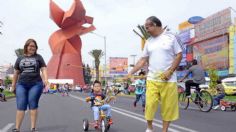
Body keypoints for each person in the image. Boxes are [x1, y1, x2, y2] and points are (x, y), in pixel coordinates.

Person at [127, 16, 183, 132]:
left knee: (168, 108)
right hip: (152, 79)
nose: (146, 30)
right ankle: (149, 127)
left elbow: (179, 55)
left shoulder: (171, 37)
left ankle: (164, 130)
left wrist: (170, 71)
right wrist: (131, 72)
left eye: (147, 28)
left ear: (155, 25)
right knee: (150, 105)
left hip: (169, 80)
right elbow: (143, 60)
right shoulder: (148, 42)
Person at [11, 39, 48, 132]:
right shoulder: (20, 58)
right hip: (21, 84)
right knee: (21, 105)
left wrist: (46, 79)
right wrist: (13, 85)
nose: (32, 48)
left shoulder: (39, 57)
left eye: (34, 46)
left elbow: (43, 69)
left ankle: (33, 128)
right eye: (30, 46)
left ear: (36, 48)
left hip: (36, 84)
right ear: (26, 47)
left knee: (33, 104)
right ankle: (17, 128)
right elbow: (16, 73)